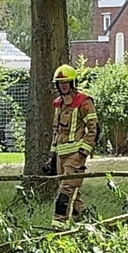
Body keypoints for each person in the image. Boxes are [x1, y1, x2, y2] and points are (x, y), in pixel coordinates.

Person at [42, 65, 99, 228]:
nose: (63, 85)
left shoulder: (84, 102)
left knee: (65, 193)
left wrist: (83, 152)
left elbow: (94, 129)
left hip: (75, 156)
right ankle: (87, 227)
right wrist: (52, 158)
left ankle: (58, 229)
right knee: (75, 195)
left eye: (66, 82)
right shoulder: (59, 104)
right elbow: (56, 132)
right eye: (60, 83)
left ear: (73, 82)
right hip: (60, 156)